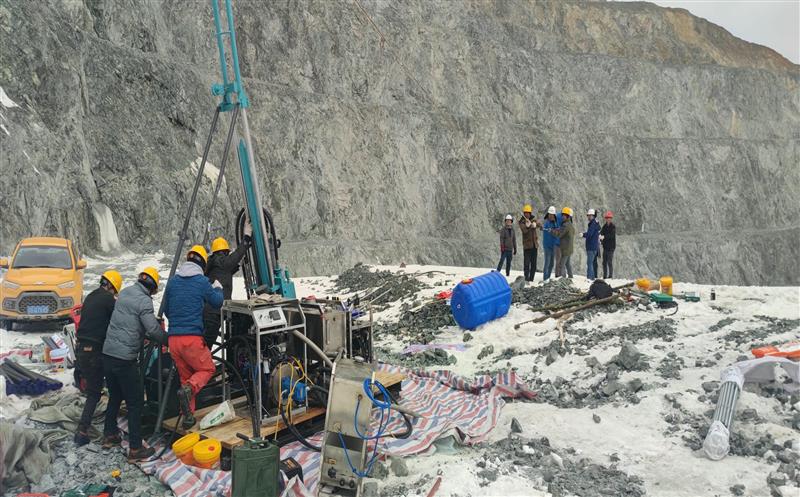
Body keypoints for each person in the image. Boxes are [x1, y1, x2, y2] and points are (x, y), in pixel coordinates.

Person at [102, 267, 166, 461]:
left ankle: (109, 435)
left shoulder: (125, 293)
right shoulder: (144, 301)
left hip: (108, 354)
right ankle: (136, 449)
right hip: (124, 359)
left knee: (115, 395)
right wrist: (169, 339)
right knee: (135, 402)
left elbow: (129, 321)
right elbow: (153, 331)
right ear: (153, 287)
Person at [163, 245, 224, 429]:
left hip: (173, 340)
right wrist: (218, 288)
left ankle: (187, 418)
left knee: (186, 378)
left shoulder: (173, 282)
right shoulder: (201, 281)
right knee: (207, 369)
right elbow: (217, 302)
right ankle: (189, 390)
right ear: (203, 264)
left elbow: (166, 309)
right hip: (192, 339)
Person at [73, 270, 122, 446]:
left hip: (81, 350)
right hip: (95, 351)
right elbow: (118, 323)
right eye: (115, 291)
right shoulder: (109, 300)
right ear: (111, 286)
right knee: (97, 392)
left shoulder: (91, 296)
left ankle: (88, 429)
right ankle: (84, 431)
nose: (114, 294)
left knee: (93, 391)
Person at [202, 230, 251, 350]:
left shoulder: (213, 263)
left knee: (204, 343)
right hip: (215, 311)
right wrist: (246, 239)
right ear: (224, 252)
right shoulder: (222, 262)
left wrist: (238, 264)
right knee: (205, 346)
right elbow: (236, 256)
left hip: (208, 310)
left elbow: (227, 270)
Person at [518, 204, 539, 283]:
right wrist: (529, 226)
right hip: (527, 246)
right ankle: (526, 279)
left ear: (530, 213)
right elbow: (524, 231)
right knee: (526, 264)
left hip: (534, 245)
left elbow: (539, 224)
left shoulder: (533, 220)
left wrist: (535, 224)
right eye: (525, 212)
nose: (527, 214)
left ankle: (531, 279)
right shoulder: (521, 222)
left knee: (533, 264)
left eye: (528, 212)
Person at [553, 207, 575, 278]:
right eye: (562, 215)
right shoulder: (570, 224)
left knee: (561, 265)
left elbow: (559, 234)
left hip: (565, 249)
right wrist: (559, 229)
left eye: (564, 215)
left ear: (568, 216)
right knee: (568, 264)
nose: (562, 217)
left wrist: (552, 231)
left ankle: (564, 280)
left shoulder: (565, 225)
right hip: (569, 248)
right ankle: (571, 277)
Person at [541, 206, 560, 281]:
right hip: (547, 246)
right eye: (550, 214)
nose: (551, 216)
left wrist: (553, 230)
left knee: (551, 263)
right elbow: (542, 227)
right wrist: (543, 228)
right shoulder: (546, 223)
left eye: (552, 215)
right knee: (547, 263)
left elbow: (558, 232)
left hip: (553, 246)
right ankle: (545, 278)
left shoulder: (556, 223)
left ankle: (547, 278)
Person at [581, 209, 601, 280]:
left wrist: (583, 234)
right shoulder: (595, 223)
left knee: (589, 263)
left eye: (590, 216)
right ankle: (592, 277)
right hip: (594, 246)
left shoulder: (593, 224)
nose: (588, 217)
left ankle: (590, 278)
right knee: (591, 263)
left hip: (591, 247)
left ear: (593, 216)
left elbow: (590, 234)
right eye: (588, 216)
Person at [600, 211, 616, 279]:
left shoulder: (613, 227)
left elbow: (611, 235)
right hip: (605, 247)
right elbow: (601, 233)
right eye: (607, 218)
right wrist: (601, 239)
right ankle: (605, 276)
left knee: (609, 261)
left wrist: (604, 237)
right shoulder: (604, 226)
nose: (608, 219)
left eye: (609, 218)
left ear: (611, 218)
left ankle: (610, 276)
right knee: (604, 262)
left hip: (611, 247)